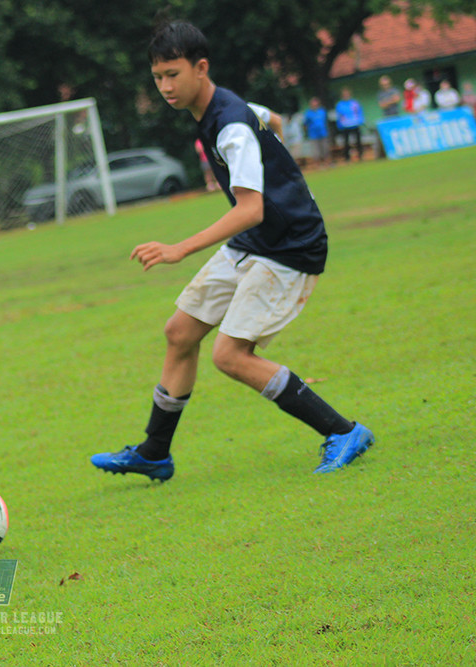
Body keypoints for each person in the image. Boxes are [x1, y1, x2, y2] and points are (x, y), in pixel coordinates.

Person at [90, 21, 374, 481]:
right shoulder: (222, 108)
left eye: (172, 74)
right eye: (157, 76)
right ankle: (155, 452)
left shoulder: (231, 125)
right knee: (180, 333)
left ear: (201, 68)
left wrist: (180, 248)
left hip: (289, 245)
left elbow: (251, 208)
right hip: (258, 241)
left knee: (230, 355)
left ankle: (344, 431)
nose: (164, 86)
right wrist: (284, 165)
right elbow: (274, 121)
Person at [334, 87, 366, 162]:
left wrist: (361, 120)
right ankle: (347, 157)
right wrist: (339, 125)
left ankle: (360, 155)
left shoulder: (354, 103)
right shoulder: (340, 105)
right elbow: (339, 115)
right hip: (345, 125)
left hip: (355, 123)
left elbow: (359, 112)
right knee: (346, 142)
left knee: (358, 141)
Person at [302, 97, 330, 167]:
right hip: (313, 135)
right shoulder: (308, 114)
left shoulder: (322, 111)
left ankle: (327, 163)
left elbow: (325, 121)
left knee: (325, 149)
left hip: (323, 133)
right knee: (316, 151)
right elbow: (305, 124)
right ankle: (318, 165)